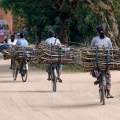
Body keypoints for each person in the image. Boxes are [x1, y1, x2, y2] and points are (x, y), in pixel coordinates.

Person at [91, 25, 113, 98]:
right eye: (100, 32)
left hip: (106, 60)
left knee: (108, 75)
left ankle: (108, 92)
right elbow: (91, 49)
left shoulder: (108, 40)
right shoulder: (95, 39)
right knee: (95, 71)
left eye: (102, 32)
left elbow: (111, 50)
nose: (101, 33)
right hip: (98, 60)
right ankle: (98, 79)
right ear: (98, 32)